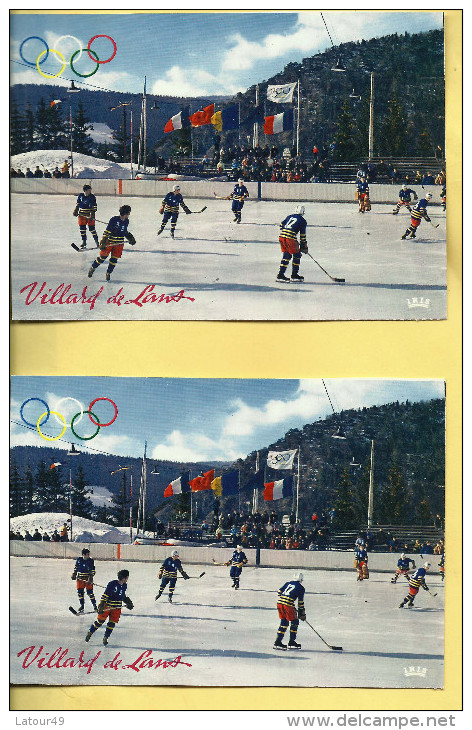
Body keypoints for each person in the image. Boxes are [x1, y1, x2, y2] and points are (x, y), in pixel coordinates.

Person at [85, 569, 133, 645]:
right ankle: (90, 632)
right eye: (127, 577)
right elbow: (105, 595)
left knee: (112, 623)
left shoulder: (124, 585)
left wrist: (128, 602)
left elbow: (122, 595)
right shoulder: (112, 584)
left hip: (116, 608)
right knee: (100, 621)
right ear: (124, 578)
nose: (127, 578)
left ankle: (105, 638)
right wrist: (101, 605)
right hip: (107, 606)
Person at [88, 204, 135, 282]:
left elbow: (124, 231)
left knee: (114, 259)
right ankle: (92, 268)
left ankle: (108, 273)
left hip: (119, 243)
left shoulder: (127, 221)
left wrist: (130, 238)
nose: (129, 214)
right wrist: (103, 241)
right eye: (128, 213)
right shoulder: (114, 219)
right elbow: (107, 231)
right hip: (110, 242)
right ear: (126, 213)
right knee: (102, 258)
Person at [274, 572, 306, 650]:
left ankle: (277, 642)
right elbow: (300, 602)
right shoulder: (301, 588)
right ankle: (291, 642)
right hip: (288, 605)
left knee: (284, 622)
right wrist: (302, 613)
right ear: (301, 579)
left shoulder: (288, 583)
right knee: (295, 622)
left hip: (280, 604)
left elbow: (279, 592)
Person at [276, 204, 308, 283]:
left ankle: (280, 275)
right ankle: (294, 275)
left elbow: (281, 225)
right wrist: (304, 245)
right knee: (297, 255)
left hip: (282, 237)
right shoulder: (303, 221)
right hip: (290, 239)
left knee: (286, 255)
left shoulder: (289, 216)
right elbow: (302, 235)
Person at [72, 548, 98, 614]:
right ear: (83, 555)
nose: (89, 555)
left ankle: (95, 606)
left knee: (90, 593)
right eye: (87, 554)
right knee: (80, 593)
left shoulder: (91, 561)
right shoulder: (79, 560)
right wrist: (74, 574)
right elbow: (76, 567)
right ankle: (82, 606)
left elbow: (93, 570)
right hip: (80, 578)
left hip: (88, 578)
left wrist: (91, 578)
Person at [73, 184, 99, 249]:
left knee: (92, 229)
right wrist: (76, 210)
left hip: (89, 215)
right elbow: (78, 204)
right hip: (82, 215)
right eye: (89, 190)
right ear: (85, 190)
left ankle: (97, 242)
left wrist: (92, 215)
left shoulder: (92, 197)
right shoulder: (80, 196)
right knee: (82, 229)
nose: (90, 191)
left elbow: (94, 207)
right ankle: (84, 242)